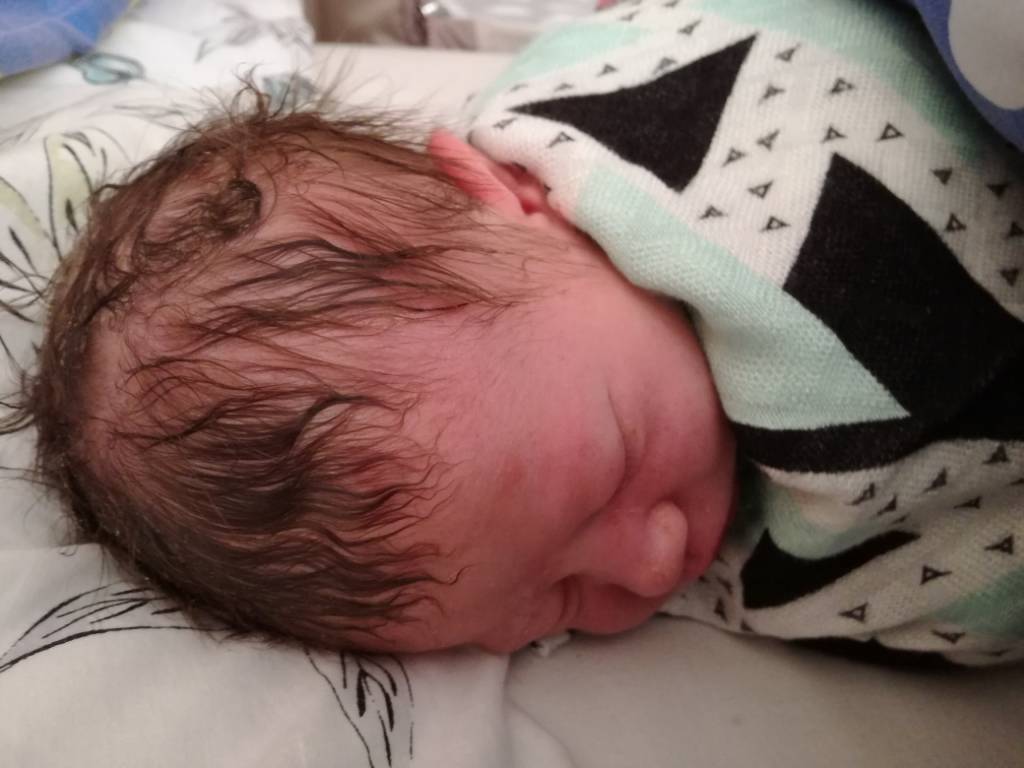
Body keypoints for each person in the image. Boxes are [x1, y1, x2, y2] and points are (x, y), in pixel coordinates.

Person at [8, 0, 1024, 664]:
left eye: (618, 459)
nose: (654, 563)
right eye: (557, 603)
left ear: (503, 190)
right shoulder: (557, 369)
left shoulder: (749, 238)